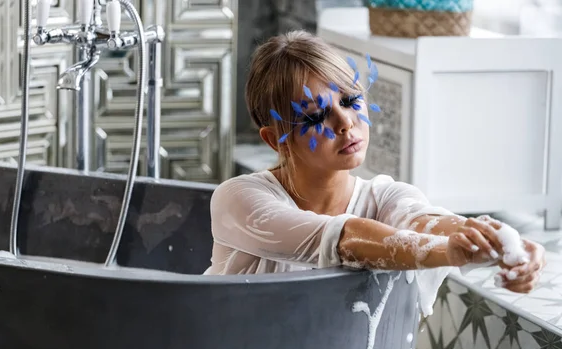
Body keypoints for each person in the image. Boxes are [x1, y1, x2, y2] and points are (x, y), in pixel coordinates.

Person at [203, 30, 545, 300]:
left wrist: (499, 242)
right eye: (316, 115)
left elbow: (424, 221)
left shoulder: (385, 196)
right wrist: (450, 252)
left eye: (351, 100)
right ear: (274, 138)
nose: (346, 122)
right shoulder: (239, 199)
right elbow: (343, 239)